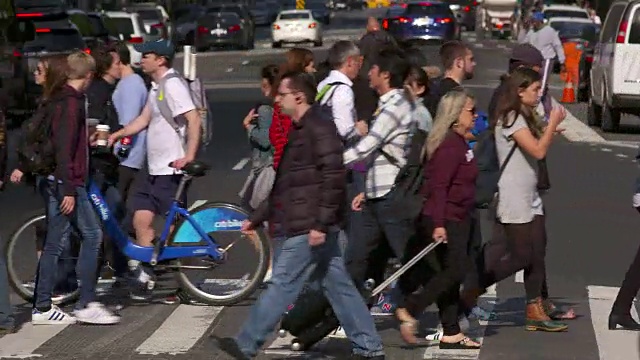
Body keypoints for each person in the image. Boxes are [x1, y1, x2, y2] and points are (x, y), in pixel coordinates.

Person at [213, 71, 385, 360]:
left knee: (282, 284)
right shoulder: (301, 128)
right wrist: (257, 217)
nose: (277, 99)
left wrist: (321, 223)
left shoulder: (319, 128)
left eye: (282, 94)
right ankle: (370, 347)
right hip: (311, 222)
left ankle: (247, 343)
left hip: (310, 225)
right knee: (339, 287)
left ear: (299, 96)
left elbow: (333, 177)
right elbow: (287, 184)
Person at [462, 67, 568, 333]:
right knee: (521, 255)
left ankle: (535, 308)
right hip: (515, 196)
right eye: (534, 90)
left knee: (537, 250)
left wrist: (549, 129)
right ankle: (471, 291)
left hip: (530, 195)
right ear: (520, 91)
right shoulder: (511, 118)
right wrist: (552, 124)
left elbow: (534, 147)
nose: (538, 94)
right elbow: (537, 150)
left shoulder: (524, 115)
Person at [107, 39, 201, 303]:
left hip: (171, 169)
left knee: (173, 228)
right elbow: (143, 119)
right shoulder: (156, 87)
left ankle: (172, 282)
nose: (142, 60)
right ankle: (150, 272)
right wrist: (118, 134)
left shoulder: (172, 85)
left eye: (147, 55)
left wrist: (189, 157)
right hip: (153, 169)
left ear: (161, 60)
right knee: (140, 220)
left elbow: (193, 118)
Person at [32, 51, 120, 325]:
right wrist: (68, 189)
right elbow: (63, 149)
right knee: (88, 236)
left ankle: (47, 306)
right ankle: (78, 303)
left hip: (63, 180)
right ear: (89, 76)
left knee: (58, 243)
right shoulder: (70, 103)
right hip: (67, 182)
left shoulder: (62, 99)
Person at [395, 88, 480, 348]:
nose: (476, 116)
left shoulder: (460, 141)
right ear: (455, 114)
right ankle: (412, 307)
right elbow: (439, 187)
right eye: (471, 111)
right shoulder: (448, 145)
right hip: (446, 217)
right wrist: (440, 224)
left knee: (450, 274)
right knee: (456, 270)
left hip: (459, 215)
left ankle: (451, 331)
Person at [427, 41, 476, 117]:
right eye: (470, 59)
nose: (474, 64)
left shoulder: (432, 86)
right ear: (459, 62)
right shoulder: (455, 94)